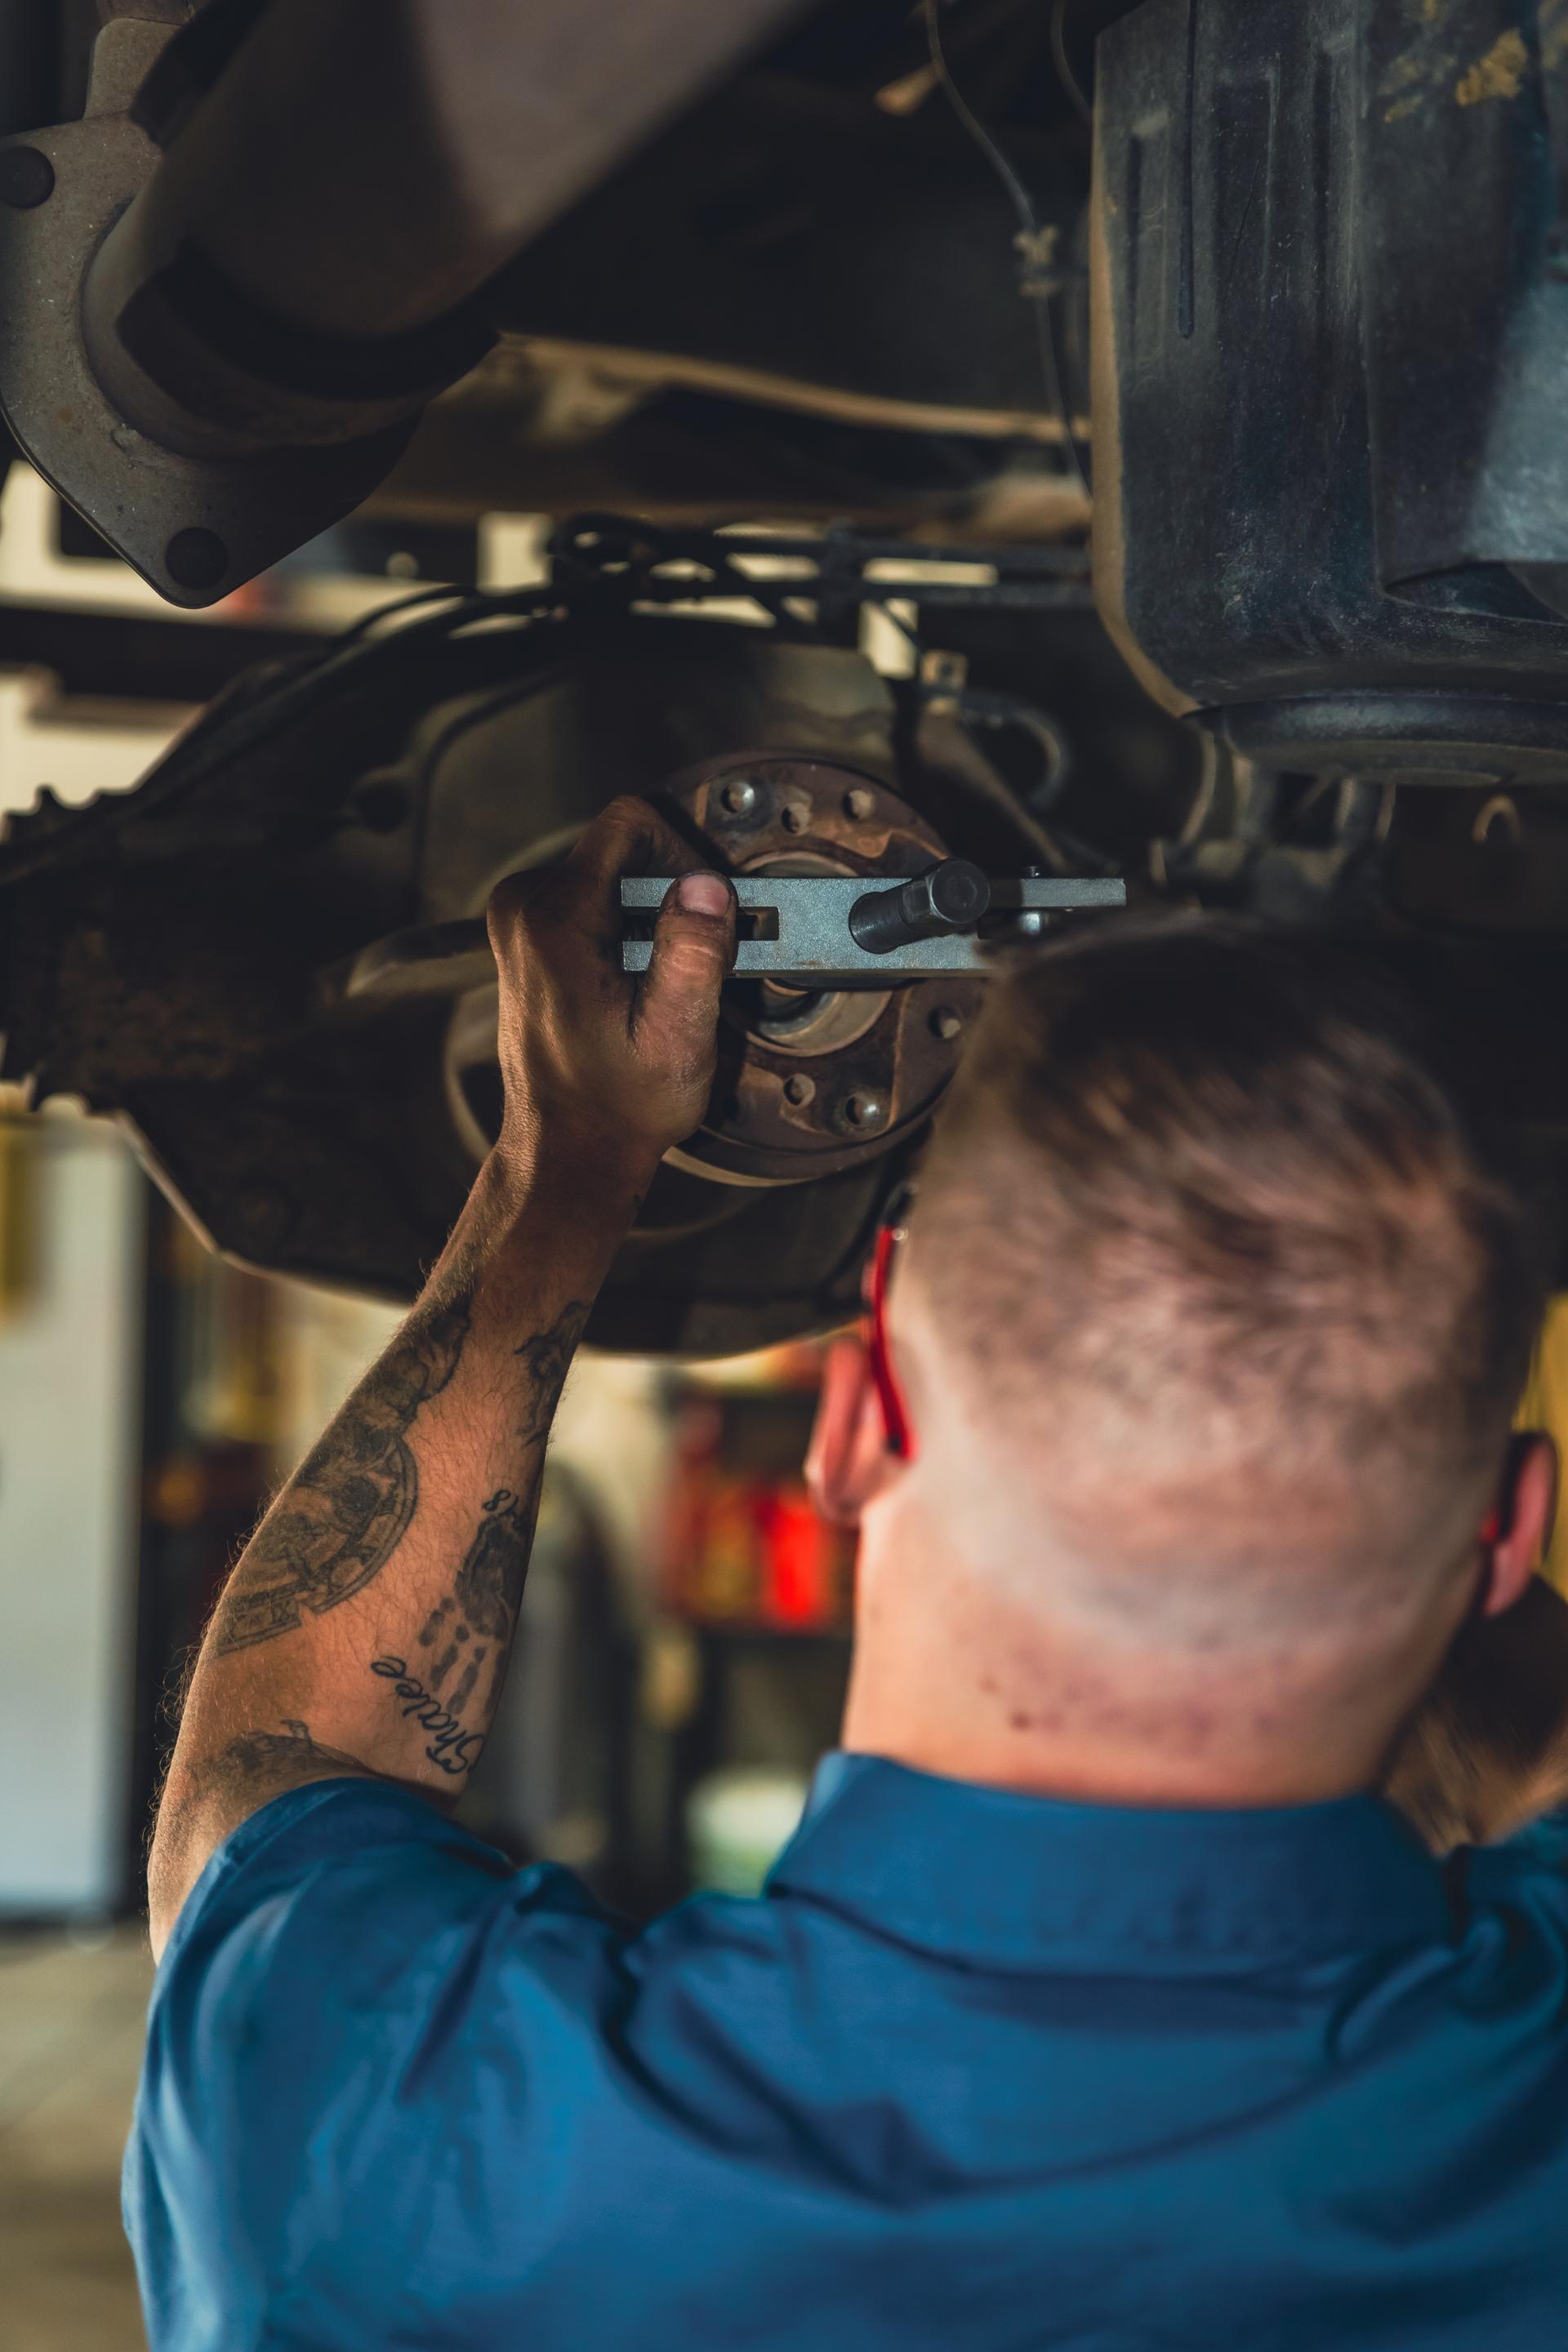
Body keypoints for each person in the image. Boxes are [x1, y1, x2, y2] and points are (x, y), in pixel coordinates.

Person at [127, 796, 1568, 2351]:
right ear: (1510, 1531)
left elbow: (267, 1786)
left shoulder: (387, 2144)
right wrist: (1358, 1479)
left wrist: (569, 1163)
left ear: (860, 1418)